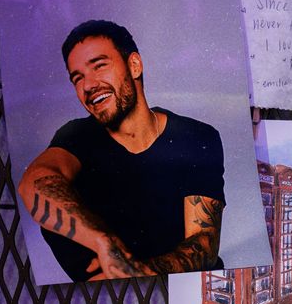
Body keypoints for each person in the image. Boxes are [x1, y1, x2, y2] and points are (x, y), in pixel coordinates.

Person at [18, 20, 226, 281]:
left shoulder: (196, 137)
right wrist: (105, 243)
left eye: (99, 66)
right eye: (77, 78)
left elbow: (203, 245)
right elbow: (34, 182)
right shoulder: (77, 136)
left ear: (134, 66)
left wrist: (134, 271)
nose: (88, 85)